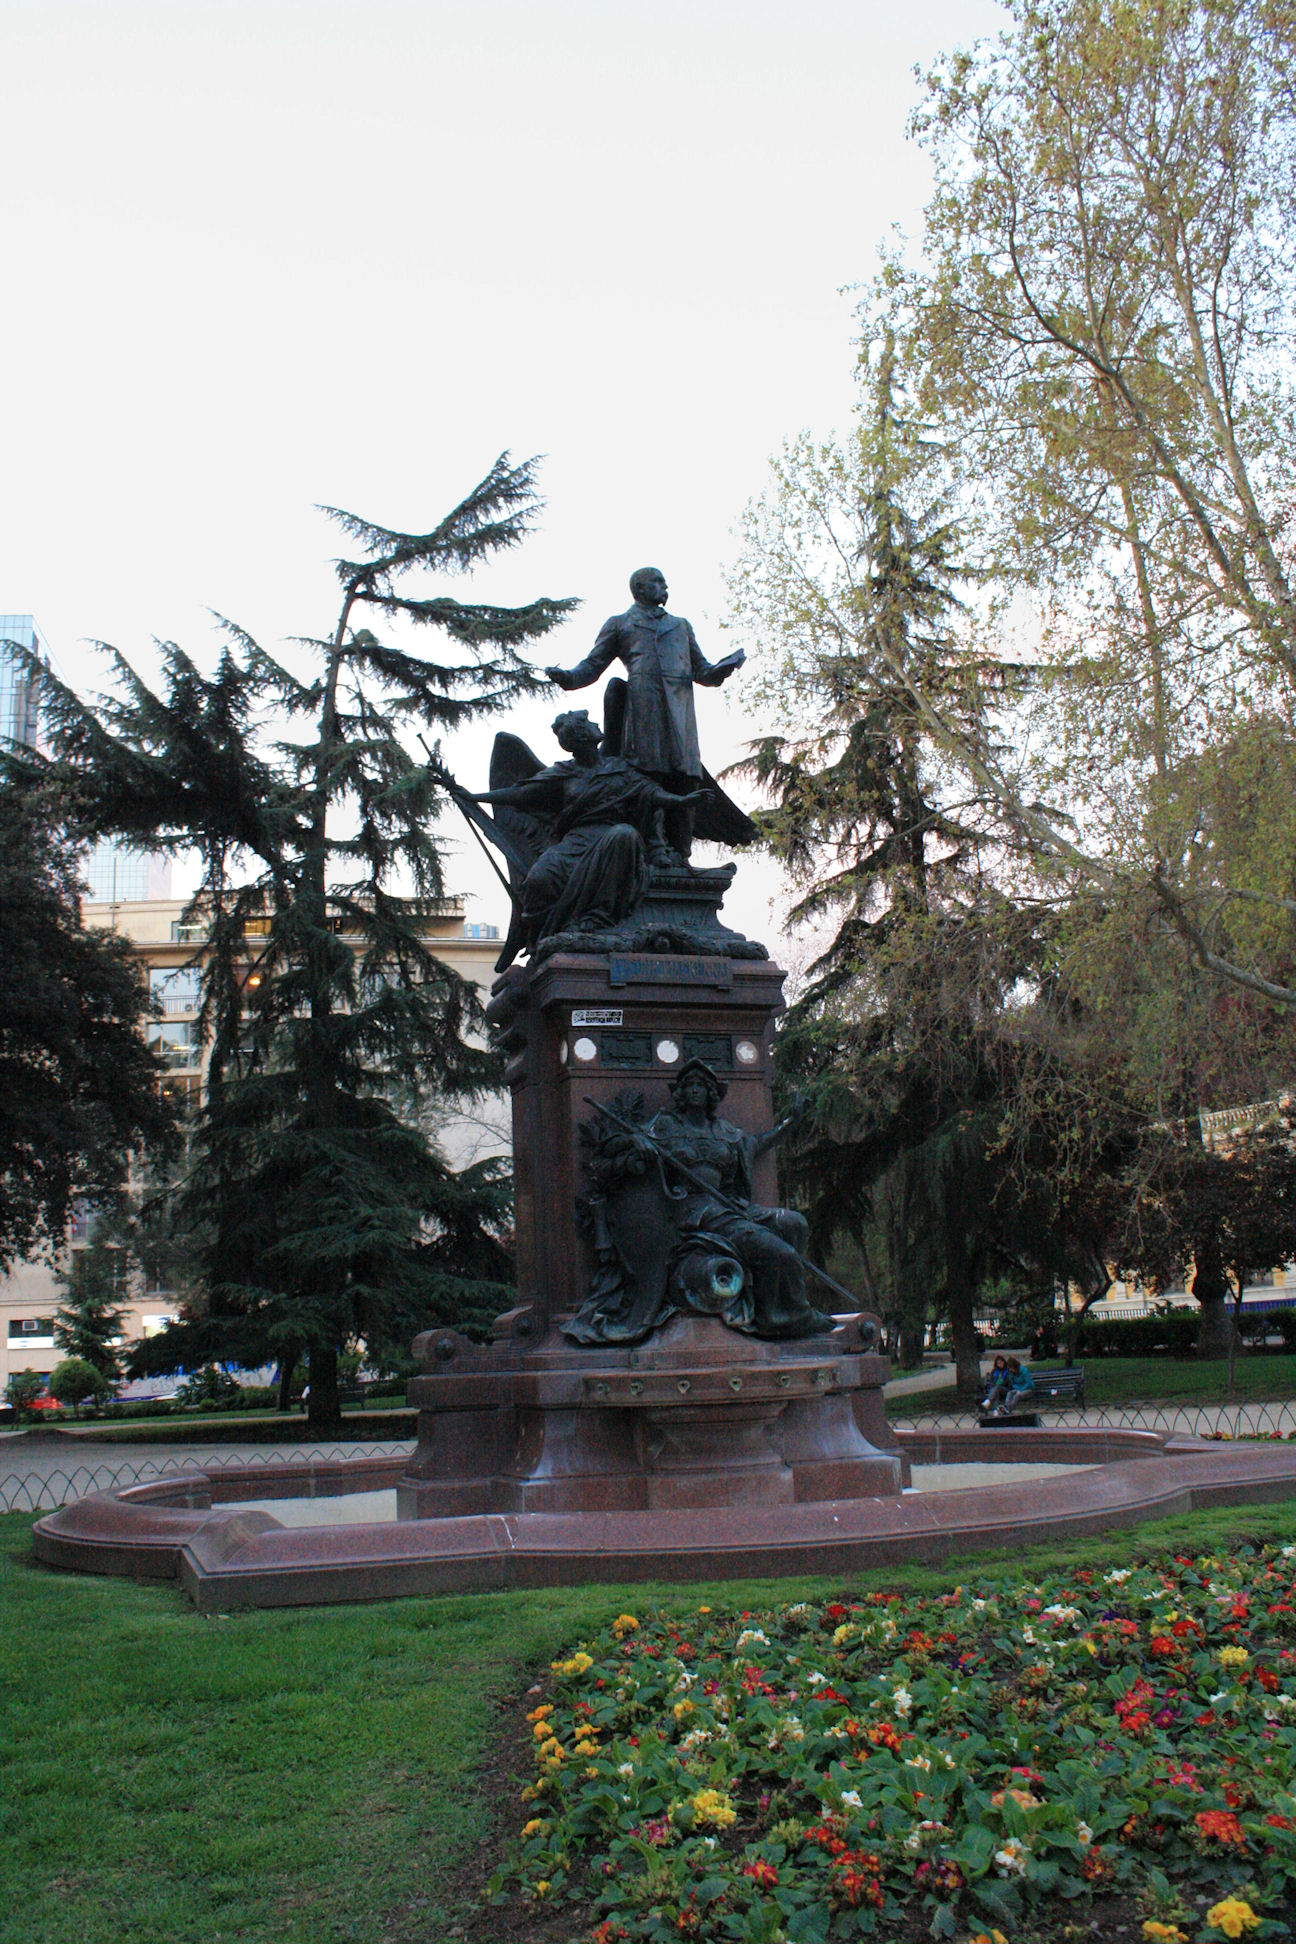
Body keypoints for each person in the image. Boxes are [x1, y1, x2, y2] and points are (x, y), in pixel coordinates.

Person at [565, 1059, 835, 1344]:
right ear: (680, 1093)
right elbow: (611, 1145)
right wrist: (634, 1141)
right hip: (693, 1210)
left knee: (794, 1223)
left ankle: (777, 1306)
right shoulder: (665, 1125)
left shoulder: (725, 1131)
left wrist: (790, 1121)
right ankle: (787, 1318)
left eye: (700, 1086)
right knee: (780, 1252)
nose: (694, 1090)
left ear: (711, 1094)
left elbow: (756, 1145)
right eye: (689, 1085)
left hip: (729, 1205)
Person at [470, 711, 706, 960]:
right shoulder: (563, 773)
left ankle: (595, 919)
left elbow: (648, 792)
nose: (595, 724)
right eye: (589, 723)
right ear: (583, 735)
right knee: (538, 879)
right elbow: (520, 794)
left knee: (624, 835)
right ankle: (540, 937)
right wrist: (474, 797)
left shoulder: (619, 768)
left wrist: (682, 801)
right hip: (574, 842)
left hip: (610, 837)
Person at [545, 567, 745, 858]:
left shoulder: (681, 626)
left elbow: (702, 671)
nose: (665, 587)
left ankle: (682, 854)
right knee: (647, 777)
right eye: (658, 582)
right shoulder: (620, 623)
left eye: (665, 582)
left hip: (680, 713)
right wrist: (568, 678)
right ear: (639, 589)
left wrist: (722, 669)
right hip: (643, 710)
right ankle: (653, 850)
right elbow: (592, 665)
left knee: (686, 776)